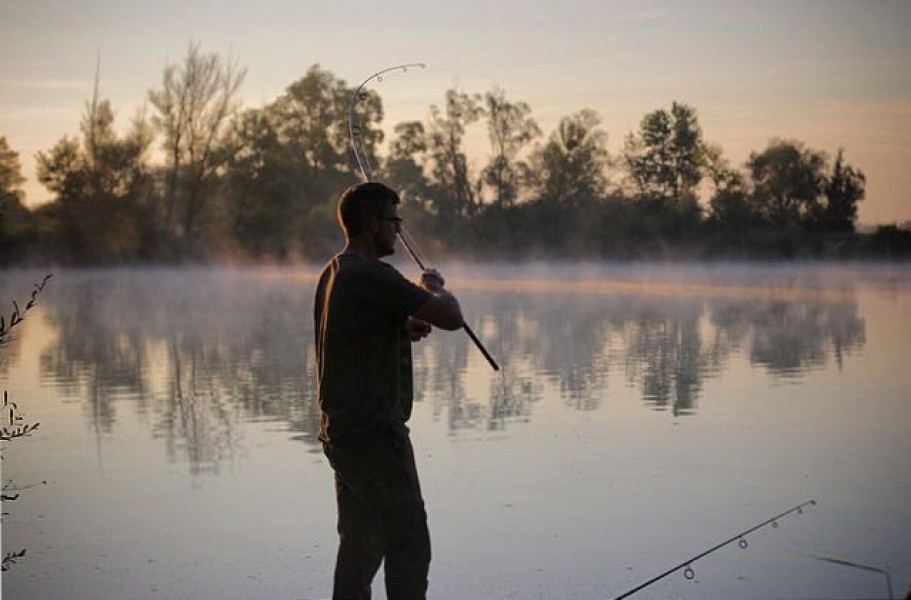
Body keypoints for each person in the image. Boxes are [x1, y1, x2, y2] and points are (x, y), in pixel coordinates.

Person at [313, 181, 464, 599]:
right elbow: (451, 316)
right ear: (370, 223)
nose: (398, 230)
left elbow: (349, 332)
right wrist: (435, 287)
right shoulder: (372, 274)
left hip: (343, 431)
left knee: (361, 543)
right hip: (376, 434)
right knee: (409, 542)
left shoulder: (335, 271)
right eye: (393, 220)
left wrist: (397, 328)